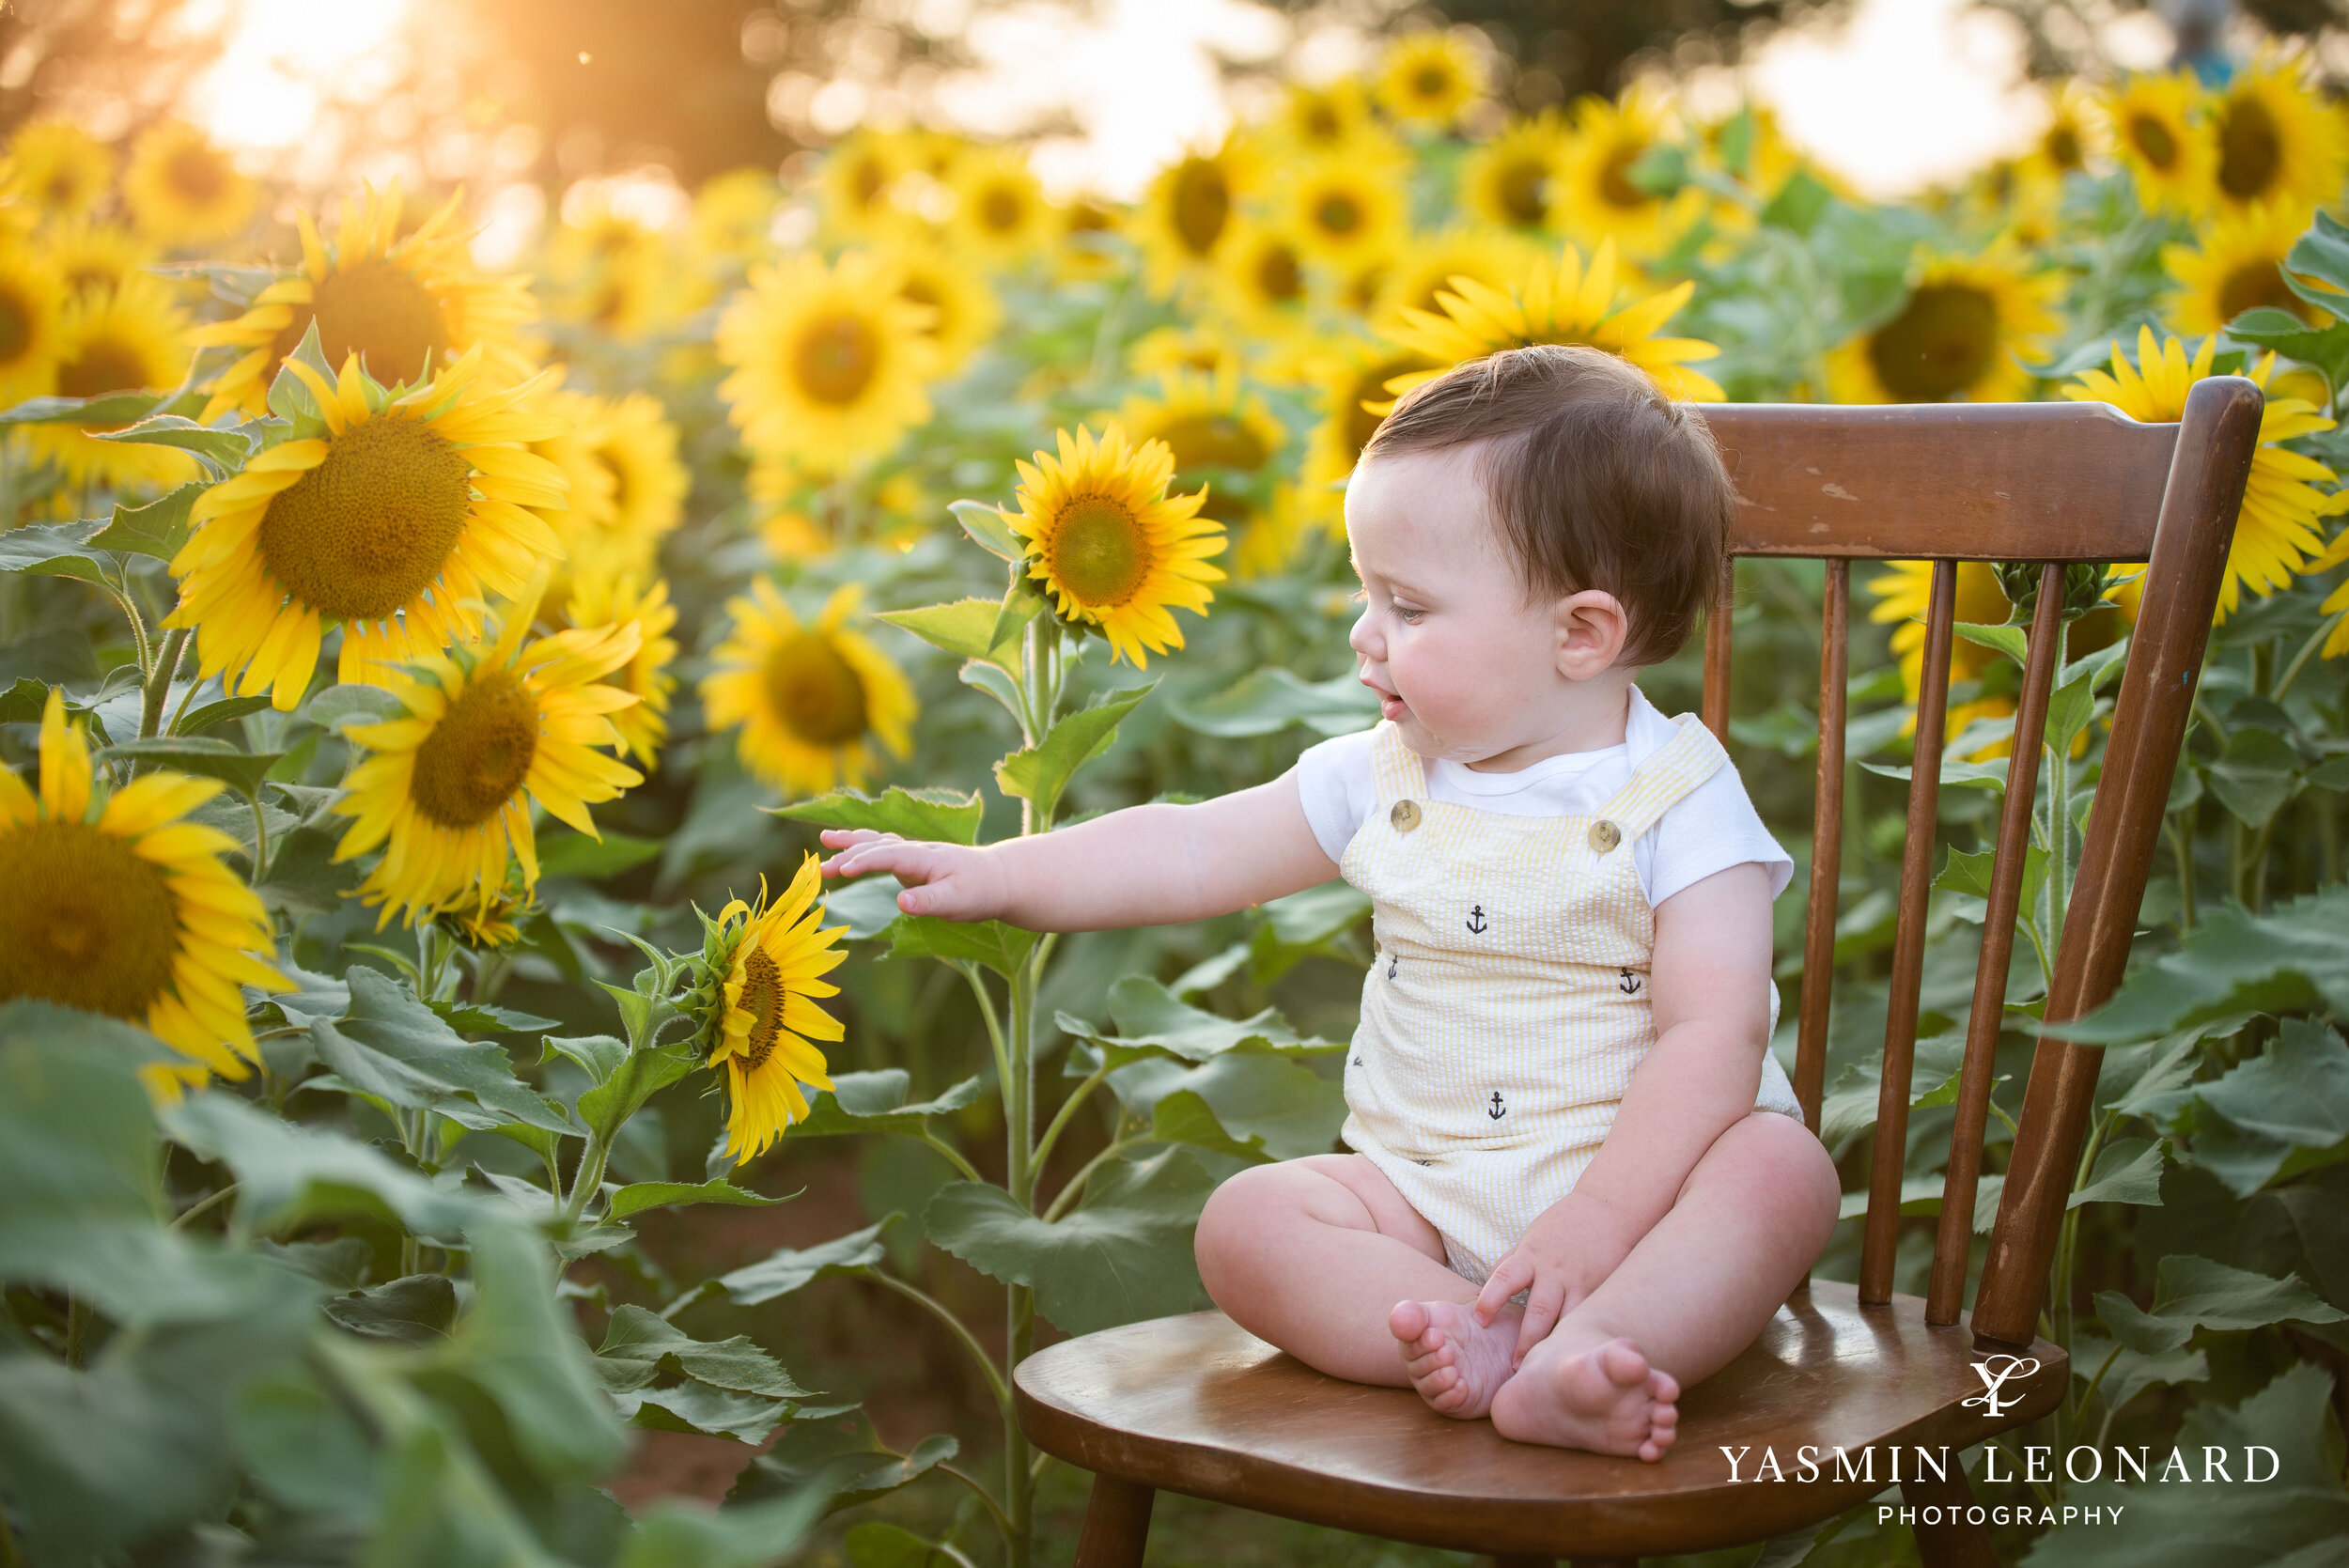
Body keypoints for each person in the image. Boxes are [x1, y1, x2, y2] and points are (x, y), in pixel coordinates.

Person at [816, 344, 1843, 1460]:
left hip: (1642, 1204)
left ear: (1579, 633)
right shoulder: (1383, 772)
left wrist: (1593, 1226)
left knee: (1779, 1174)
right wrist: (1005, 874)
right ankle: (1464, 1334)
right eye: (1367, 594)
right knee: (1247, 1224)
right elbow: (1198, 846)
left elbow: (1716, 1031)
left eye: (1405, 604)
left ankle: (1592, 1349)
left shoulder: (1677, 801)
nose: (1364, 635)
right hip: (1418, 1196)